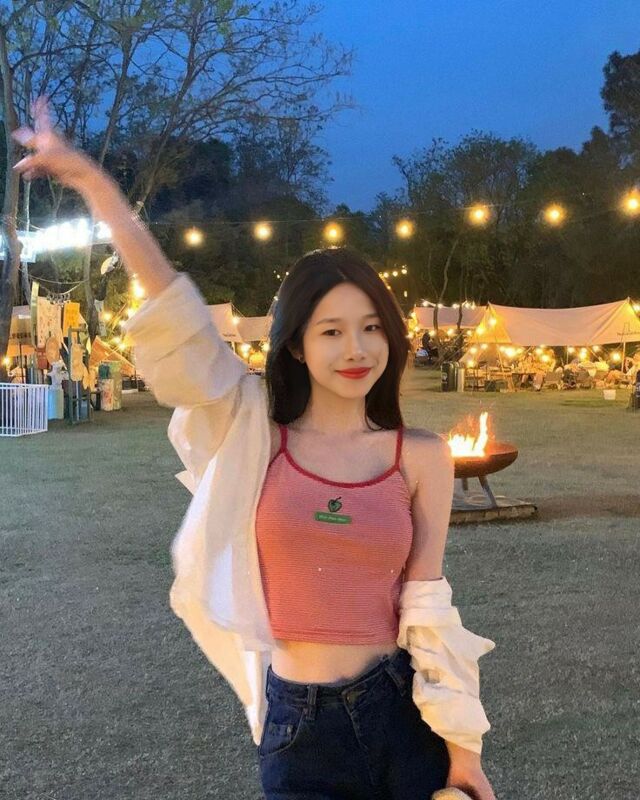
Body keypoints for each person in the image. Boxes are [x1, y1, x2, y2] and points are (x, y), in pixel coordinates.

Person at [14, 99, 496, 800]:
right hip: (299, 727)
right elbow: (177, 316)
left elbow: (427, 603)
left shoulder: (420, 457)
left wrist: (463, 748)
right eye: (331, 331)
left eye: (371, 327)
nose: (356, 348)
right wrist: (95, 184)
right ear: (296, 344)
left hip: (401, 713)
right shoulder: (254, 434)